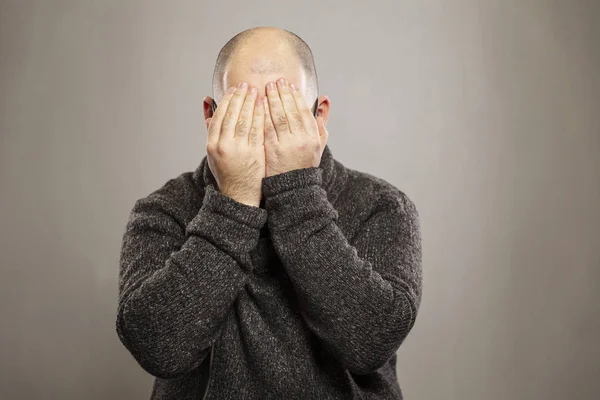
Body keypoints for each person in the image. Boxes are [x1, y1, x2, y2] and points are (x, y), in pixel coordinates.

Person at [116, 26, 423, 400]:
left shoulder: (382, 206)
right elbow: (158, 348)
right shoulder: (163, 210)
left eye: (283, 115)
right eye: (241, 114)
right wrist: (235, 200)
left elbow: (372, 342)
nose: (262, 133)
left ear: (319, 118)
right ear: (210, 117)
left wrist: (296, 191)